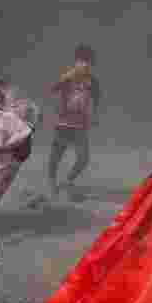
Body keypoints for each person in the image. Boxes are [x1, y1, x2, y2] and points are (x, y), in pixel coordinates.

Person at [47, 44, 102, 199]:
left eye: (87, 62)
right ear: (76, 61)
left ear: (91, 64)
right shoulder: (68, 77)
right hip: (63, 124)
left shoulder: (93, 81)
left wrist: (95, 116)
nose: (84, 64)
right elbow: (52, 90)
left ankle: (68, 181)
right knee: (56, 156)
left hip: (80, 126)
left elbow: (97, 100)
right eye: (81, 61)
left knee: (83, 158)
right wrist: (64, 81)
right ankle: (51, 183)